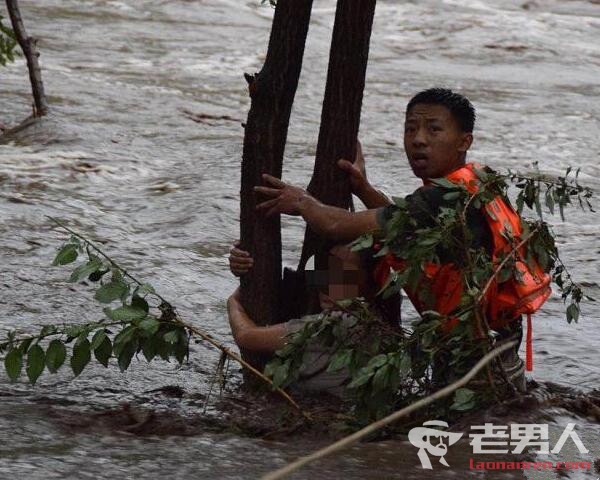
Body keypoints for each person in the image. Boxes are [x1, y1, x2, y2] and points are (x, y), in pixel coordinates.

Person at [254, 88, 529, 391]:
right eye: (410, 129)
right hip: (499, 357)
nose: (418, 139)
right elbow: (403, 222)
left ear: (465, 141)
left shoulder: (442, 198)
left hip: (474, 372)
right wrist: (363, 188)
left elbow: (337, 226)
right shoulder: (477, 183)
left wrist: (302, 202)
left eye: (433, 129)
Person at [227, 244, 383, 397]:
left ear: (368, 286)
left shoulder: (341, 324)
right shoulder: (375, 321)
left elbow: (245, 335)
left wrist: (233, 301)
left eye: (345, 277)